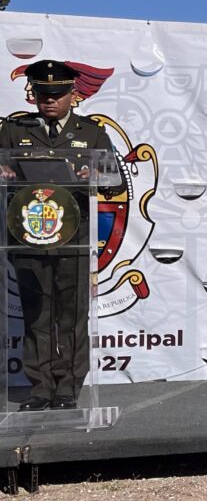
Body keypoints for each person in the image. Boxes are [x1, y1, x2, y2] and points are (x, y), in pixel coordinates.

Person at [0, 60, 113, 411]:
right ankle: (39, 387)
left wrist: (91, 173)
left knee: (71, 316)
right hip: (27, 236)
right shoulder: (12, 131)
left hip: (73, 238)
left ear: (72, 95)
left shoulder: (92, 134)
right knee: (36, 314)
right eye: (43, 94)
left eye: (57, 94)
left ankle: (68, 386)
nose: (49, 101)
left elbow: (114, 181)